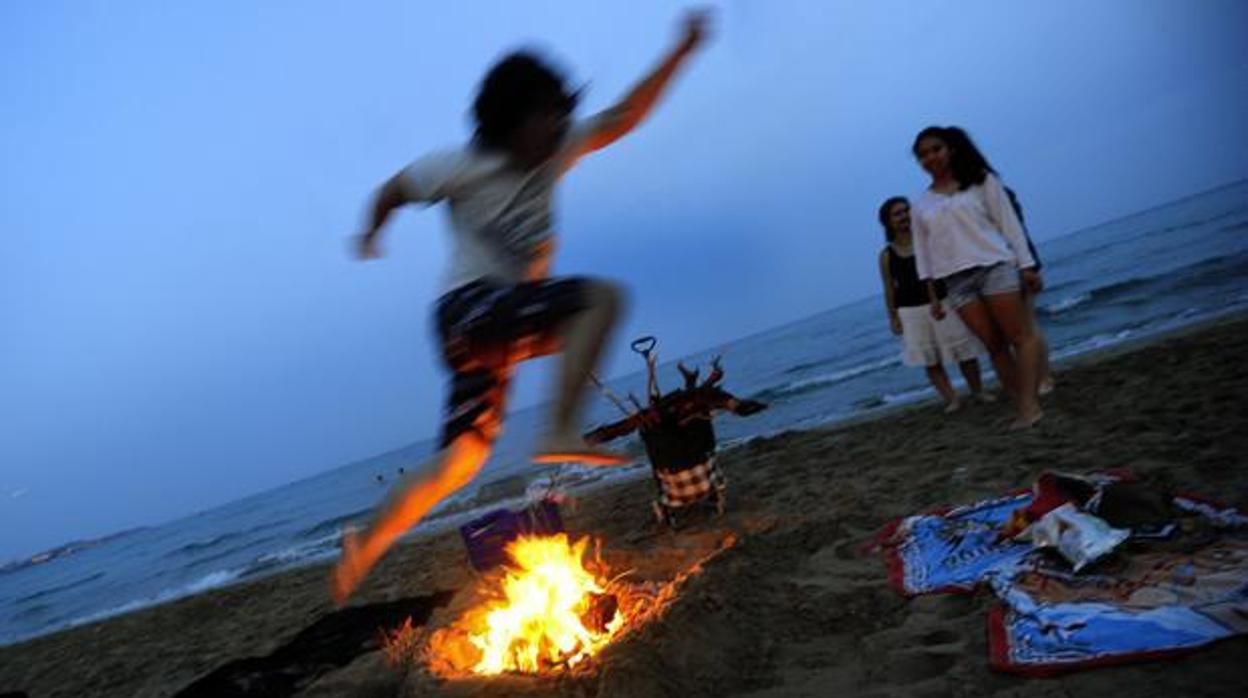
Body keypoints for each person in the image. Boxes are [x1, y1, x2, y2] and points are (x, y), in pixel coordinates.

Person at [331, 11, 712, 603]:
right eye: (545, 120)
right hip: (469, 310)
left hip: (495, 327)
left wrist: (681, 52)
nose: (558, 131)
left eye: (562, 117)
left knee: (461, 457)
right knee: (599, 299)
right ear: (508, 123)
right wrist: (370, 232)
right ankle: (559, 425)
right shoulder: (460, 166)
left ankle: (366, 543)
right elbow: (392, 190)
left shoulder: (557, 149)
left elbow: (624, 116)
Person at [909, 126, 1044, 429]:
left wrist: (1027, 265)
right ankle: (1020, 401)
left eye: (935, 149)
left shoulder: (981, 181)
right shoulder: (921, 205)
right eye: (923, 155)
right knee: (993, 345)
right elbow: (924, 254)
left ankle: (1029, 404)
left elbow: (1008, 224)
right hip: (956, 281)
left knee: (1019, 337)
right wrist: (933, 297)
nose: (930, 157)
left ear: (950, 150)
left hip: (994, 266)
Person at [877, 196, 988, 412]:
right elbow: (889, 289)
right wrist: (893, 317)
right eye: (897, 214)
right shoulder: (886, 255)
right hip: (910, 310)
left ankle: (978, 392)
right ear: (888, 222)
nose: (904, 216)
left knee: (964, 350)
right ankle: (952, 399)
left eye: (906, 211)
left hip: (944, 301)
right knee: (931, 359)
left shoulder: (929, 240)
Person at [1003, 187, 1055, 395]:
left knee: (1026, 324)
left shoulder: (996, 193)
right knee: (1019, 328)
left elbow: (1015, 234)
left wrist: (1027, 267)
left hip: (1017, 263)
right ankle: (1039, 376)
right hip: (1006, 265)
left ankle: (1044, 376)